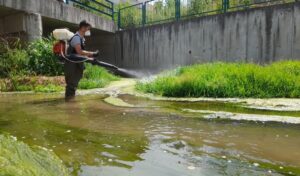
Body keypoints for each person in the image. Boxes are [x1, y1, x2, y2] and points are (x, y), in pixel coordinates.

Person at [64, 20, 98, 101]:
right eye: (88, 29)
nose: (88, 31)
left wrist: (90, 58)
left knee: (74, 83)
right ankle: (69, 102)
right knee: (71, 84)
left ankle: (70, 100)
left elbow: (79, 55)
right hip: (72, 65)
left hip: (76, 63)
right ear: (83, 28)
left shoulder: (81, 39)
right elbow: (79, 51)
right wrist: (92, 54)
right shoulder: (76, 38)